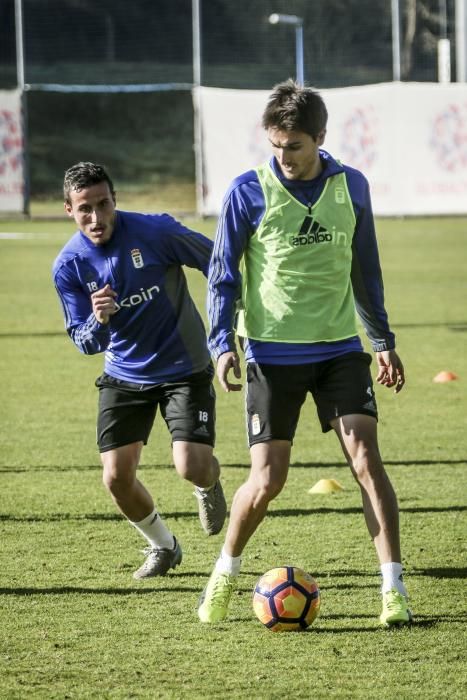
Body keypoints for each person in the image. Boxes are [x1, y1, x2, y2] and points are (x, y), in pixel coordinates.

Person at [198, 80, 411, 627]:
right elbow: (222, 276)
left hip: (340, 350)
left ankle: (394, 591)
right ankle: (223, 573)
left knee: (366, 460)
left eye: (294, 145)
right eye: (275, 145)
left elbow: (367, 270)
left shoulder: (352, 187)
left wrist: (381, 342)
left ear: (319, 137)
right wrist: (223, 344)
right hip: (271, 354)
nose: (284, 156)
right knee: (268, 480)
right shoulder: (247, 191)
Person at [53, 161, 226, 580]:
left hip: (184, 366)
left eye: (103, 204)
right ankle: (163, 547)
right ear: (68, 210)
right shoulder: (69, 266)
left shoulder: (156, 232)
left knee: (191, 465)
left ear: (115, 200)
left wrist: (226, 324)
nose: (96, 218)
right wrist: (99, 319)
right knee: (115, 477)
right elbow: (85, 342)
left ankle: (209, 485)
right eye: (85, 209)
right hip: (124, 374)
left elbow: (218, 262)